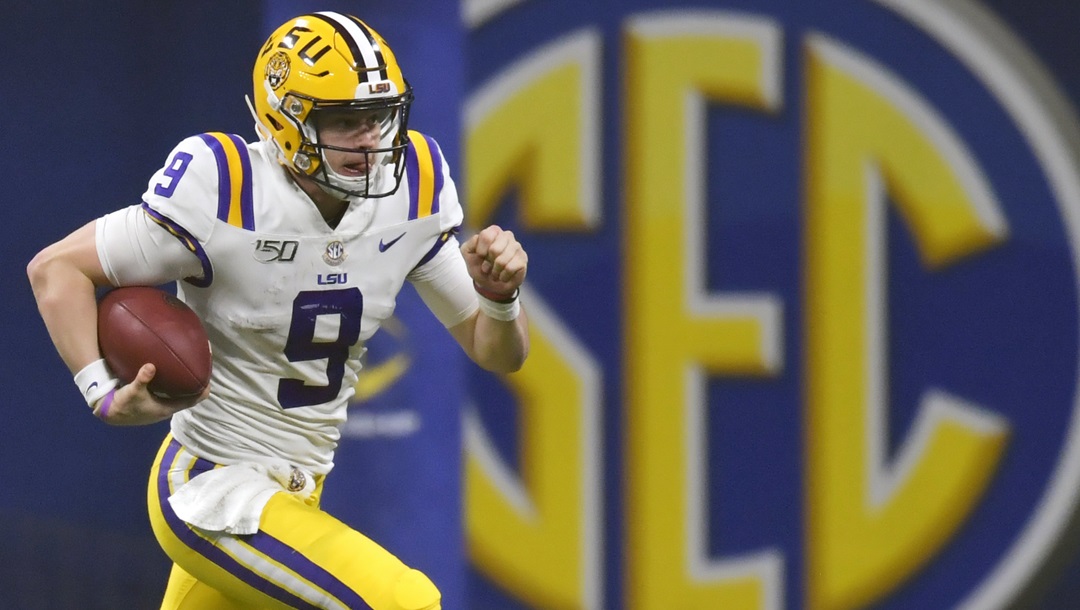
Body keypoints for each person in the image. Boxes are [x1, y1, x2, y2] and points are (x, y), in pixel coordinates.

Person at [26, 11, 528, 610]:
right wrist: (100, 391)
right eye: (344, 121)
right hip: (211, 486)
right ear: (285, 120)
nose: (369, 139)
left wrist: (500, 299)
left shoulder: (413, 186)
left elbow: (495, 350)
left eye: (378, 117)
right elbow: (56, 269)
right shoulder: (226, 187)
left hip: (298, 490)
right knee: (405, 603)